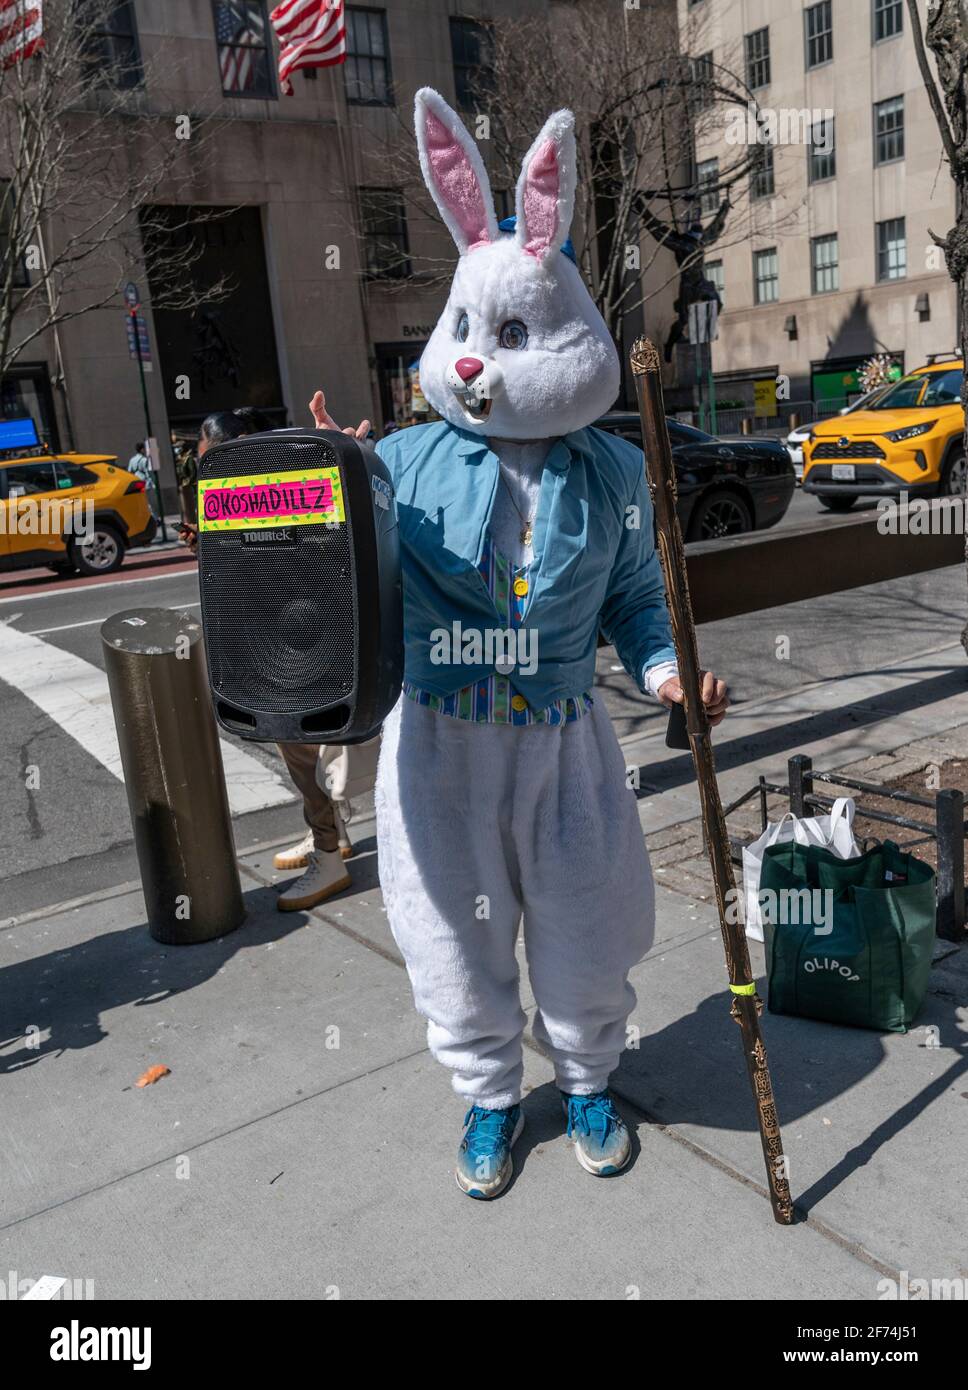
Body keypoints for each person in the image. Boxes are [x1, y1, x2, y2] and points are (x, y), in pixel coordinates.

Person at [310, 88, 729, 1200]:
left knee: (585, 923)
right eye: (464, 334)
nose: (472, 365)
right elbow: (339, 574)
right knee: (452, 939)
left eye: (506, 338)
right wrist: (331, 481)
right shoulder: (402, 461)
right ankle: (491, 1099)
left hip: (562, 741)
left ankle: (588, 1074)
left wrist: (664, 671)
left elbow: (637, 598)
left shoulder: (612, 473)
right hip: (439, 746)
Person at [180, 407, 355, 911]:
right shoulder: (275, 480)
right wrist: (209, 544)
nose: (211, 468)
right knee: (300, 744)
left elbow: (288, 556)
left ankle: (329, 853)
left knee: (299, 742)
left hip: (298, 636)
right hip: (286, 635)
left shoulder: (276, 482)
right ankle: (329, 833)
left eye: (211, 458)